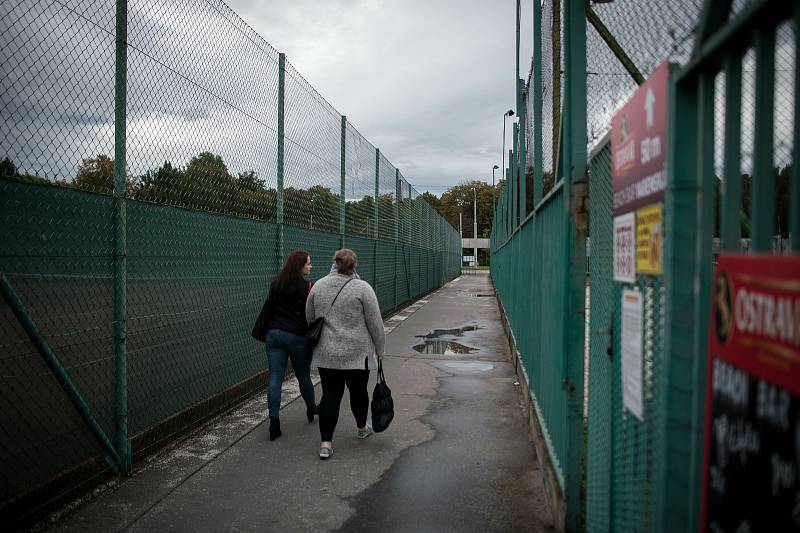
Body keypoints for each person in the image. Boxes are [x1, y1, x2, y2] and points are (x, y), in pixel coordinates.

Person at [306, 249, 385, 459]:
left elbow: (309, 316)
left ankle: (325, 444)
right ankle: (361, 428)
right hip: (357, 355)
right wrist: (380, 349)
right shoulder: (363, 288)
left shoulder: (319, 286)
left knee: (330, 395)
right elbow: (375, 323)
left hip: (327, 354)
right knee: (358, 392)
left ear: (334, 263)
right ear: (354, 265)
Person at [263, 250, 317, 441]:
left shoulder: (277, 283)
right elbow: (312, 314)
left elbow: (269, 308)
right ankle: (311, 408)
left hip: (274, 334)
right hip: (297, 337)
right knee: (303, 374)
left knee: (275, 377)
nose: (311, 266)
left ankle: (274, 422)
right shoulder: (308, 287)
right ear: (300, 266)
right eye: (308, 264)